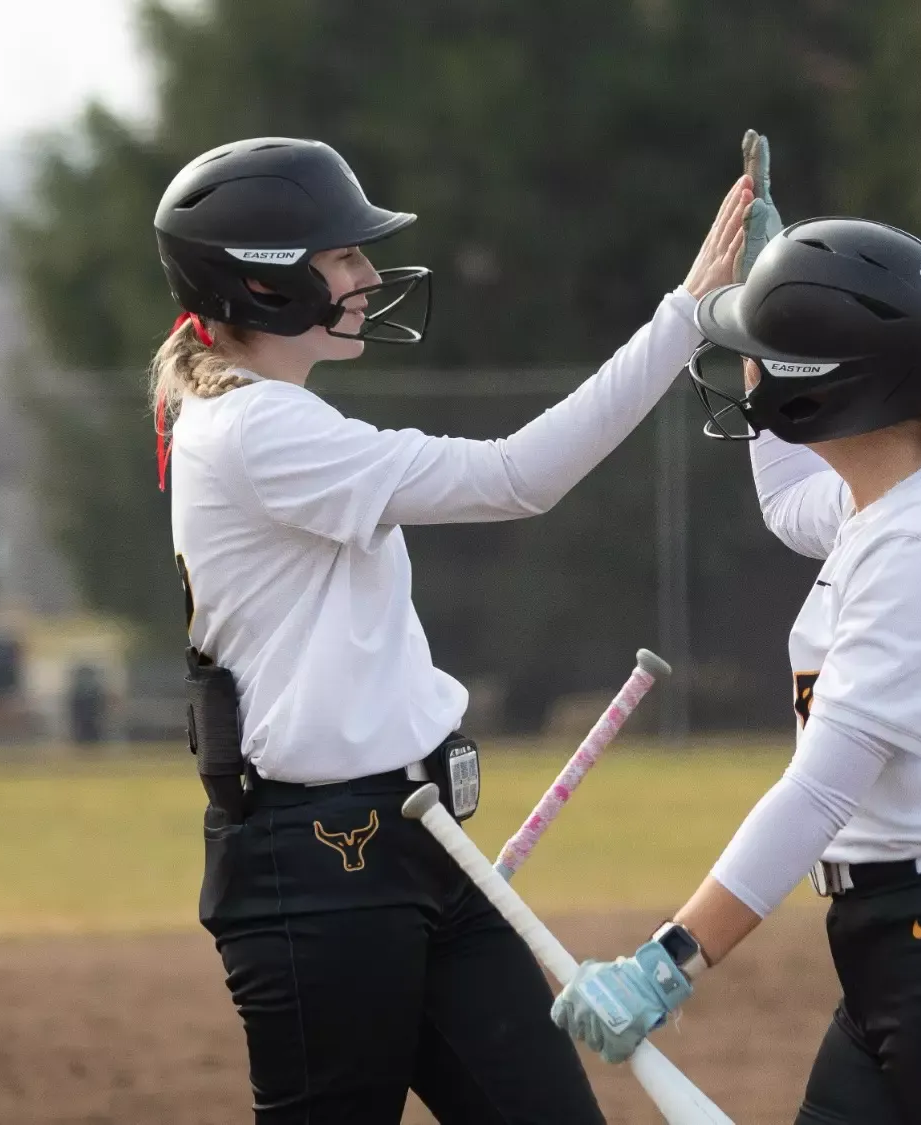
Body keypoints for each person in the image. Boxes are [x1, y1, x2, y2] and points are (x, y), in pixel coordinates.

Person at [152, 135, 750, 1124]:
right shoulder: (259, 430)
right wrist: (682, 320)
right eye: (342, 255)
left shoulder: (264, 416)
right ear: (260, 286)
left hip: (418, 848)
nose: (367, 274)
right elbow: (520, 478)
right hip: (322, 871)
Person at [548, 204, 921, 1122]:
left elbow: (821, 791)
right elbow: (789, 500)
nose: (744, 370)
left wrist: (667, 959)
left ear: (818, 386)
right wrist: (776, 292)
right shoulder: (888, 503)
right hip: (905, 957)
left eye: (763, 351)